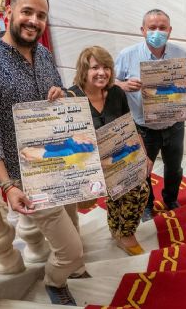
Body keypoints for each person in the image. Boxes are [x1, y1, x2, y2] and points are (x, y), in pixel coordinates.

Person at [0, 0, 83, 306]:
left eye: (41, 16)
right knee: (71, 251)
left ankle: (71, 265)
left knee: (73, 222)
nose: (34, 20)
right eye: (27, 12)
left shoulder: (43, 55)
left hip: (61, 163)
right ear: (9, 14)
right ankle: (55, 281)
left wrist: (58, 94)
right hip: (29, 175)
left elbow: (53, 97)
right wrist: (7, 185)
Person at [115, 9, 186, 221]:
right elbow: (110, 82)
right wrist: (123, 85)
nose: (157, 32)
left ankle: (171, 199)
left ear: (170, 31)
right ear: (143, 30)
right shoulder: (127, 55)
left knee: (174, 168)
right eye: (152, 28)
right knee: (143, 170)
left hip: (174, 124)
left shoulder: (181, 53)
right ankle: (147, 205)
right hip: (143, 127)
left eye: (162, 28)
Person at [67, 46, 152, 255]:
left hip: (119, 157)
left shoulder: (115, 92)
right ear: (84, 70)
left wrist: (144, 155)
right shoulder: (71, 98)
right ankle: (117, 229)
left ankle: (124, 232)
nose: (102, 72)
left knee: (140, 190)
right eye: (95, 67)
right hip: (88, 164)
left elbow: (129, 125)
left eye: (106, 67)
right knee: (115, 192)